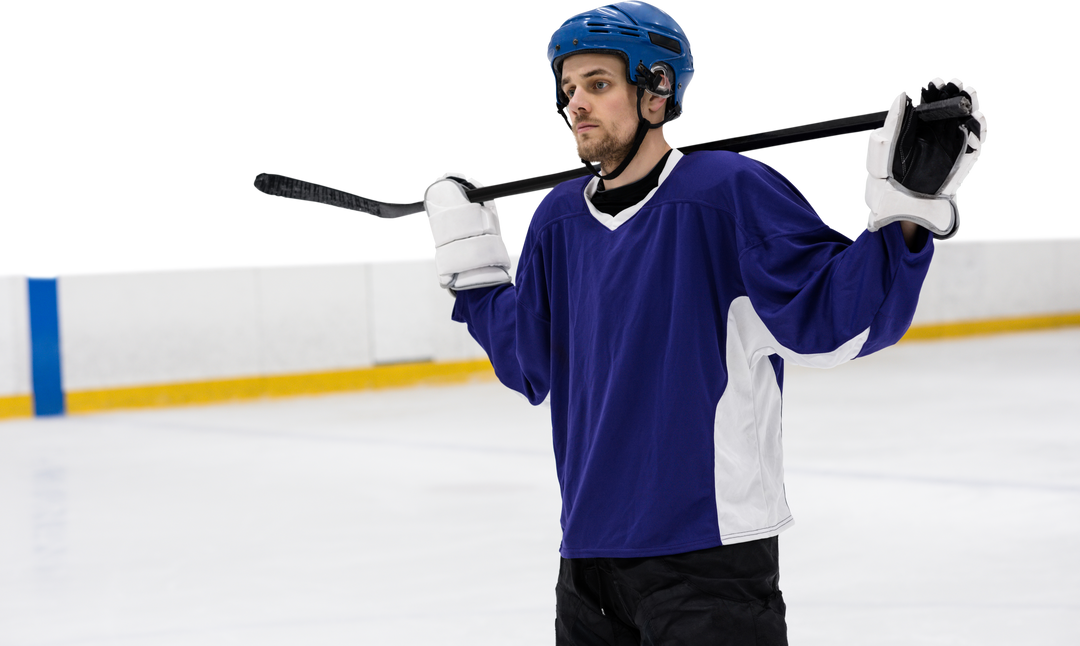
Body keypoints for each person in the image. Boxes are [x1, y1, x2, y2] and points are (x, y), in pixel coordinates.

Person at [420, 2, 988, 643]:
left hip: (708, 558)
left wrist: (908, 210)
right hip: (587, 560)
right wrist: (473, 271)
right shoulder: (556, 222)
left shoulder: (726, 193)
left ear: (657, 90)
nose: (576, 103)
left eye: (599, 85)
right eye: (569, 87)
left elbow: (835, 321)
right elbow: (529, 362)